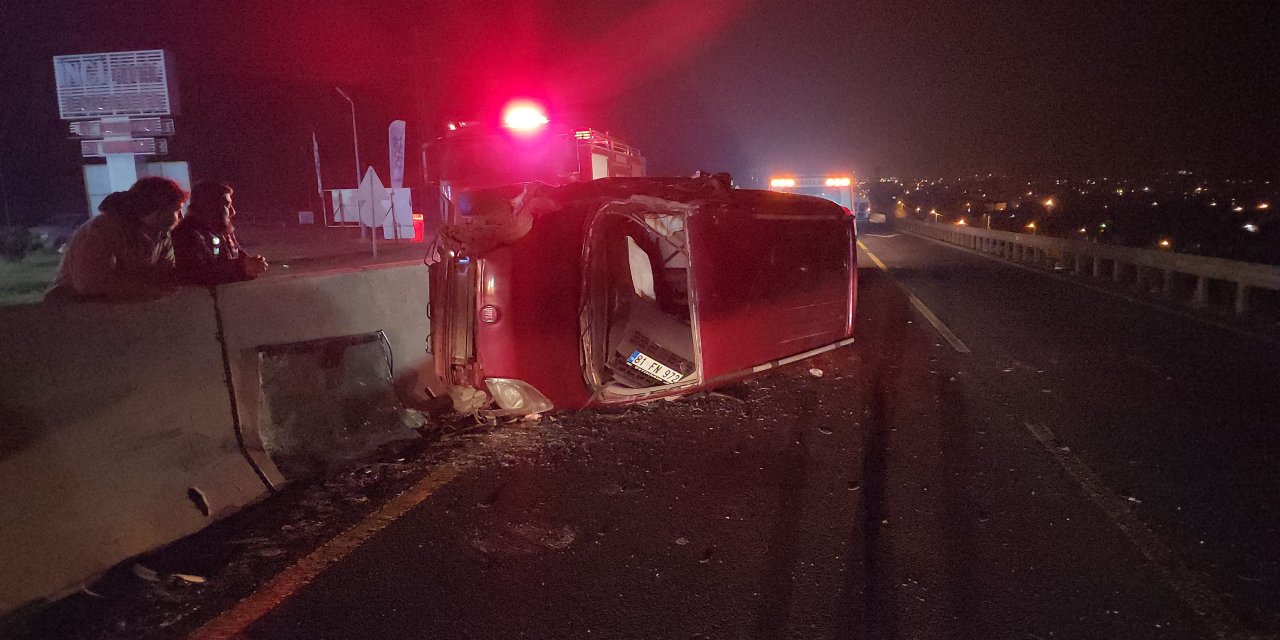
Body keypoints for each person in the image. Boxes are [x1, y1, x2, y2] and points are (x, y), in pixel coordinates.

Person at [44, 177, 187, 302]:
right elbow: (91, 284)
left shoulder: (161, 234)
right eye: (176, 210)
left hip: (118, 316)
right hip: (71, 315)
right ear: (155, 210)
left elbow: (165, 274)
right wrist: (147, 286)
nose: (181, 217)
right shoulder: (102, 229)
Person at [173, 181, 268, 285]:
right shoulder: (187, 236)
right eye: (227, 205)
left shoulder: (220, 233)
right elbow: (197, 275)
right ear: (209, 207)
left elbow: (234, 259)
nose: (233, 211)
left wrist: (250, 263)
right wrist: (241, 270)